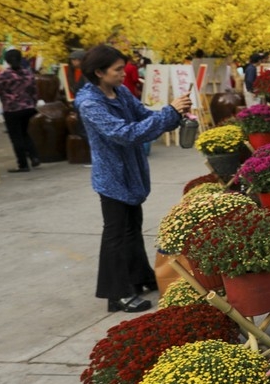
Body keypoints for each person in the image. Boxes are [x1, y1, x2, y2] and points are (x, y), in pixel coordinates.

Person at [75, 45, 191, 313]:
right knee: (115, 234)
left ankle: (139, 277)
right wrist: (169, 114)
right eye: (117, 70)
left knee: (131, 229)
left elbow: (145, 118)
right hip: (112, 177)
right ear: (99, 72)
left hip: (132, 173)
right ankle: (117, 294)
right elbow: (124, 133)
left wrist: (172, 114)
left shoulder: (121, 92)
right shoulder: (90, 103)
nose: (123, 74)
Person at [0, 49, 41, 173]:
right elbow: (34, 92)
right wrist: (33, 104)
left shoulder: (2, 76)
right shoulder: (28, 74)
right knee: (25, 133)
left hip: (12, 110)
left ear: (7, 61)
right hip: (28, 108)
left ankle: (23, 164)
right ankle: (34, 156)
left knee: (16, 137)